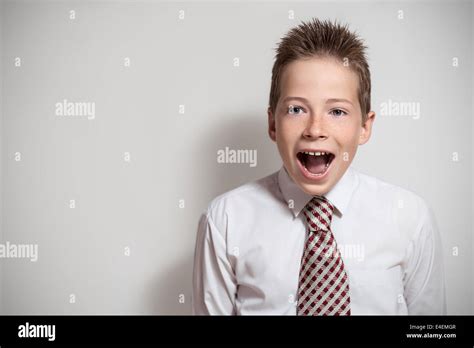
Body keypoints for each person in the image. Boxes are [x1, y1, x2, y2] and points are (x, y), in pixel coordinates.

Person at [192, 18, 446, 315]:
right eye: (296, 109)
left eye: (337, 111)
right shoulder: (225, 221)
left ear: (364, 126)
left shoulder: (410, 218)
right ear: (273, 123)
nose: (315, 129)